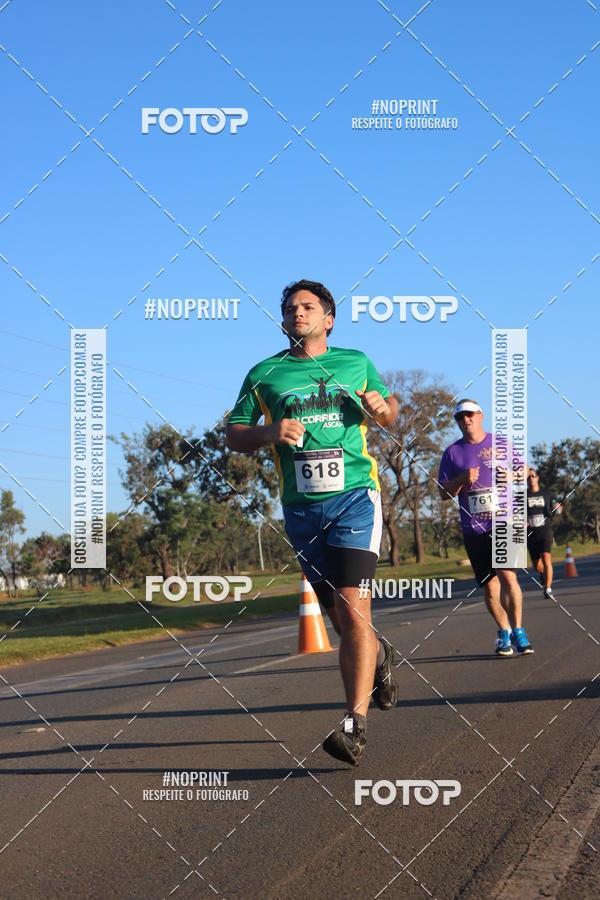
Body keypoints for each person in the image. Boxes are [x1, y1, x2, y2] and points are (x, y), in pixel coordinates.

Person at [226, 279, 400, 766]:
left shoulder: (355, 362)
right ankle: (380, 658)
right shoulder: (264, 374)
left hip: (355, 498)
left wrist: (382, 409)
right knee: (341, 619)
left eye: (307, 307)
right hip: (302, 509)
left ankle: (353, 727)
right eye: (289, 309)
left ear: (329, 319)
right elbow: (234, 435)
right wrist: (270, 431)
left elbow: (389, 410)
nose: (297, 313)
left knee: (353, 608)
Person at [438, 399, 533, 656]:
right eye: (460, 417)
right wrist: (461, 479)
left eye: (469, 414)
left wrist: (512, 475)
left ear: (480, 415)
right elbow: (443, 493)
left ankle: (519, 631)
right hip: (474, 528)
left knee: (507, 575)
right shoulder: (452, 453)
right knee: (490, 586)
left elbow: (524, 470)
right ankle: (504, 632)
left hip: (505, 519)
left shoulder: (500, 443)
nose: (465, 420)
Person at [527, 467, 561, 599]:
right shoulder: (522, 496)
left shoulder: (547, 493)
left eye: (533, 475)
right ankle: (543, 574)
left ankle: (548, 588)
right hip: (531, 533)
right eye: (528, 477)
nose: (531, 478)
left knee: (546, 557)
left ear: (537, 478)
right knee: (537, 565)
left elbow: (556, 505)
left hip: (545, 530)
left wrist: (557, 508)